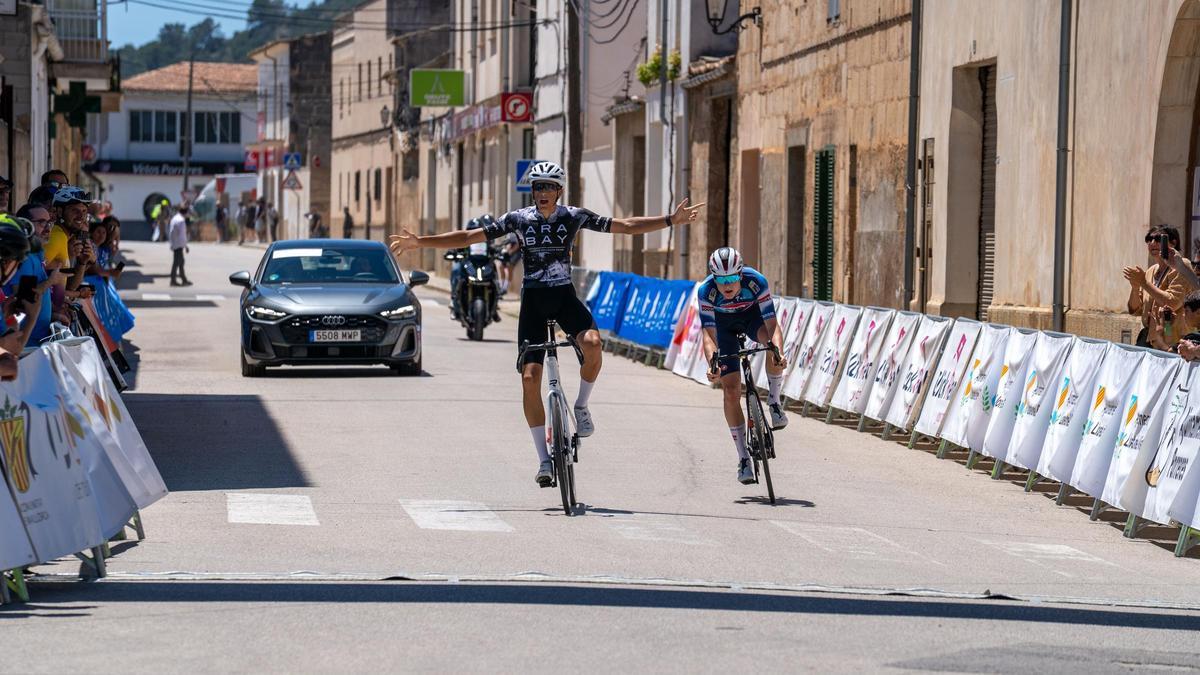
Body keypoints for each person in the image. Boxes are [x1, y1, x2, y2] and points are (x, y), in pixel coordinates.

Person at [389, 161, 704, 485]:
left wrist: (670, 220)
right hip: (534, 303)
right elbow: (470, 236)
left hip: (564, 297)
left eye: (548, 187)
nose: (541, 192)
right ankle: (543, 459)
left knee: (593, 344)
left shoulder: (573, 216)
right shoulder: (518, 219)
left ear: (559, 191)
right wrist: (421, 242)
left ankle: (581, 406)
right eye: (537, 187)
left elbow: (624, 225)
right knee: (529, 379)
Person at [697, 247, 790, 485]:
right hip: (722, 328)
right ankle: (743, 458)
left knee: (771, 345)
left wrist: (777, 351)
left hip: (752, 319)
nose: (727, 285)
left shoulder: (756, 282)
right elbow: (708, 335)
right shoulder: (706, 292)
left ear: (740, 275)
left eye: (731, 279)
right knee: (730, 391)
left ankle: (775, 402)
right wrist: (713, 364)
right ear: (713, 278)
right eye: (721, 280)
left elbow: (772, 323)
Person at [1125, 225, 1194, 347]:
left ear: (1173, 242)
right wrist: (1135, 287)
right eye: (1149, 239)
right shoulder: (1150, 271)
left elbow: (1173, 302)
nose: (1152, 243)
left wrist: (1144, 283)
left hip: (1173, 340)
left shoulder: (1181, 265)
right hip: (1149, 338)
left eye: (1158, 239)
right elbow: (1135, 310)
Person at [169, 204, 191, 286]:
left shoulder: (174, 219)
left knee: (181, 262)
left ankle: (183, 279)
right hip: (179, 244)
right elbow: (182, 235)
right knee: (177, 262)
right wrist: (186, 246)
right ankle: (173, 280)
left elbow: (171, 232)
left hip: (175, 243)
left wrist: (171, 243)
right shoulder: (181, 221)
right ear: (186, 213)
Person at [498, 229, 521, 295]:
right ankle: (501, 287)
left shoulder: (517, 231)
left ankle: (505, 288)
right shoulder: (508, 232)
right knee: (501, 266)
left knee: (509, 267)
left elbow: (517, 244)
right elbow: (506, 242)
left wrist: (510, 252)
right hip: (508, 250)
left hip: (516, 251)